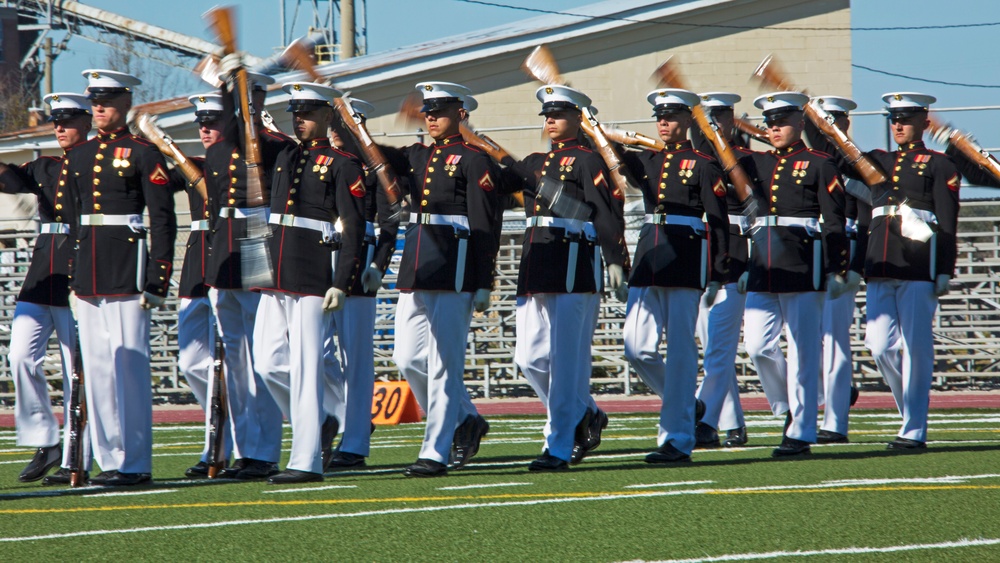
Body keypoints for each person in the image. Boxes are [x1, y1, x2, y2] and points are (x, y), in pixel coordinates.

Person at [502, 85, 629, 471]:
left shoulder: (589, 162)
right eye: (547, 115)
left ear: (578, 118)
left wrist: (614, 259)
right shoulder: (536, 161)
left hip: (574, 265)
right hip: (537, 263)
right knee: (529, 356)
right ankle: (585, 411)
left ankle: (557, 446)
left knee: (566, 362)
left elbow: (605, 213)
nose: (550, 121)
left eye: (557, 114)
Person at [251, 82, 367, 484]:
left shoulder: (342, 164)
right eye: (295, 112)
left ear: (326, 116)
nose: (299, 119)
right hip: (276, 270)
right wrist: (244, 91)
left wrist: (342, 279)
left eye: (308, 112)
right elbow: (243, 131)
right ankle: (321, 419)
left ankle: (306, 460)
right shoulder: (282, 152)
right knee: (266, 362)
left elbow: (353, 226)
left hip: (315, 272)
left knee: (305, 366)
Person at [383, 81, 499, 477]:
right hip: (416, 265)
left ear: (461, 114)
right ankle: (465, 417)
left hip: (455, 268)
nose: (430, 117)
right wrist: (348, 122)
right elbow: (374, 156)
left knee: (444, 364)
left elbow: (486, 224)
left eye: (440, 110)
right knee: (408, 356)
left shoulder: (474, 159)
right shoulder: (417, 155)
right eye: (427, 110)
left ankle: (435, 449)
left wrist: (484, 280)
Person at [67, 69, 176, 485]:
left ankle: (135, 462)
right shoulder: (78, 156)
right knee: (97, 369)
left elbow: (163, 220)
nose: (98, 108)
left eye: (107, 101)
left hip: (129, 271)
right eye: (94, 100)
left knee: (130, 368)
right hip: (90, 273)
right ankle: (109, 459)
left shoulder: (144, 153)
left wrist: (157, 278)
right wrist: (75, 277)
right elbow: (76, 223)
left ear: (126, 104)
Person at [619, 88, 729, 463]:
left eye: (670, 116)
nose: (662, 123)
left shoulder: (702, 163)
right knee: (635, 346)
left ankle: (678, 439)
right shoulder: (648, 160)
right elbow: (613, 155)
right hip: (649, 254)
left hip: (685, 255)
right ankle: (687, 403)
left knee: (682, 350)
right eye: (659, 117)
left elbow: (718, 222)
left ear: (687, 121)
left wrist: (718, 272)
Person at [737, 91, 848, 457]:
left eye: (781, 122)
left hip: (803, 264)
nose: (774, 128)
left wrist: (837, 268)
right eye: (769, 123)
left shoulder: (819, 163)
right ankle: (788, 407)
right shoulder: (757, 164)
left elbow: (834, 221)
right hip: (763, 264)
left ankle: (800, 430)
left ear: (800, 124)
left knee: (801, 350)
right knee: (757, 345)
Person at [852, 93, 960, 450]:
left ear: (923, 124)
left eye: (906, 119)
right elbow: (841, 163)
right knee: (879, 346)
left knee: (916, 348)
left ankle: (914, 428)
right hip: (880, 261)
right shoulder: (877, 162)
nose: (898, 125)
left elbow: (947, 220)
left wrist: (944, 266)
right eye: (893, 119)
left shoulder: (939, 165)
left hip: (918, 262)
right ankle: (909, 412)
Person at [204, 62, 295, 480]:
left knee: (261, 358)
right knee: (236, 363)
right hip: (226, 249)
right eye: (236, 96)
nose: (244, 104)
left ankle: (265, 452)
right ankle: (246, 450)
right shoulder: (218, 150)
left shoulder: (278, 146)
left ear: (261, 100)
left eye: (250, 96)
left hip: (259, 244)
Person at [1, 92, 90, 484]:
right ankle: (45, 440)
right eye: (56, 121)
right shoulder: (44, 166)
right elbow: (7, 179)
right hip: (41, 275)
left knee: (77, 371)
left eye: (68, 121)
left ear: (87, 122)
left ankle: (76, 455)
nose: (60, 128)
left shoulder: (97, 164)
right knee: (19, 357)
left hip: (81, 271)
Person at [324, 98, 400, 470]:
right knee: (316, 354)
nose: (336, 133)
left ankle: (354, 442)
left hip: (359, 261)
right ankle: (337, 414)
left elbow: (389, 222)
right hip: (321, 259)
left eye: (344, 127)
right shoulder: (320, 161)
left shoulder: (374, 168)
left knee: (355, 358)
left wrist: (379, 266)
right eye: (334, 126)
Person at [173, 93, 234, 477]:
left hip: (231, 260)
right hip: (197, 263)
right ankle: (218, 434)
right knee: (190, 360)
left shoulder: (242, 166)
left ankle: (225, 445)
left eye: (213, 122)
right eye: (202, 123)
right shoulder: (190, 165)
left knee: (239, 363)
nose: (205, 129)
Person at [689, 92, 753, 449]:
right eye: (705, 118)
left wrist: (753, 262)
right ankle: (733, 423)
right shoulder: (693, 163)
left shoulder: (749, 161)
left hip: (735, 260)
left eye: (719, 117)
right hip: (701, 260)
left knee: (718, 349)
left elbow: (764, 216)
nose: (712, 125)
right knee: (715, 349)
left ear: (732, 120)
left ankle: (705, 420)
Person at [803, 95, 864, 443]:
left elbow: (867, 218)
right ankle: (820, 402)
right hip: (812, 255)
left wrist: (853, 266)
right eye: (819, 125)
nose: (826, 132)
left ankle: (835, 421)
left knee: (834, 338)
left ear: (845, 124)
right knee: (810, 339)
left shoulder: (857, 164)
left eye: (832, 123)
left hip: (842, 257)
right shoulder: (813, 163)